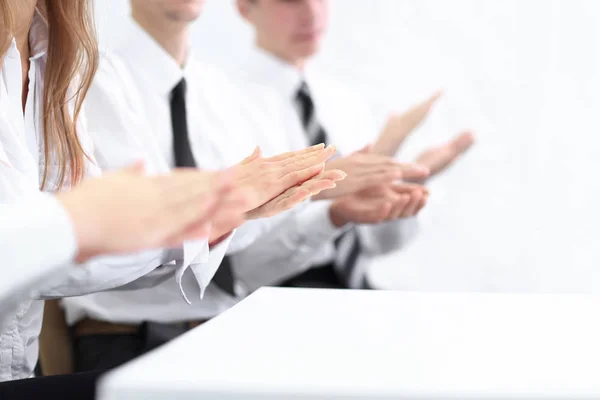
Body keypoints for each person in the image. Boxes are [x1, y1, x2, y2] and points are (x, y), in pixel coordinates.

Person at [61, 0, 433, 373]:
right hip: (128, 341)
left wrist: (330, 213)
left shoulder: (221, 95)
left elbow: (238, 268)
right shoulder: (89, 83)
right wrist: (305, 189)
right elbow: (114, 242)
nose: (311, 12)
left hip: (225, 333)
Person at [0, 0, 339, 387]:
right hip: (120, 336)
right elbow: (56, 245)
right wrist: (203, 212)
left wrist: (216, 214)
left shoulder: (61, 61)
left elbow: (88, 239)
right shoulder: (102, 75)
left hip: (210, 323)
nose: (310, 13)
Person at [233, 0, 475, 289]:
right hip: (266, 295)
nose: (311, 13)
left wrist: (403, 183)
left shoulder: (343, 101)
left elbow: (370, 245)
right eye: (291, 1)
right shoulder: (225, 107)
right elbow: (228, 256)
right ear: (245, 8)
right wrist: (325, 201)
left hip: (357, 290)